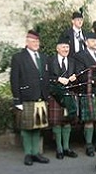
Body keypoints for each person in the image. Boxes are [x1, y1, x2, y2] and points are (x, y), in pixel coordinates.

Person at [10, 30, 50, 166]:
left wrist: (47, 96)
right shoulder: (18, 58)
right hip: (26, 97)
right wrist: (17, 100)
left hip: (41, 97)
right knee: (27, 127)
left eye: (37, 41)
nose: (36, 44)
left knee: (38, 127)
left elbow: (45, 78)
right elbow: (14, 80)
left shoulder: (43, 57)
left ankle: (36, 153)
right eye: (33, 41)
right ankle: (28, 154)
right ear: (27, 42)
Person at [48, 35, 78, 160]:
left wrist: (74, 78)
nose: (66, 49)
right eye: (64, 47)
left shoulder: (72, 62)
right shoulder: (50, 61)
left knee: (67, 121)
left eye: (67, 47)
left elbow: (77, 77)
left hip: (69, 93)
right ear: (57, 48)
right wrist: (58, 79)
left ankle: (66, 148)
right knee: (57, 122)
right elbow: (45, 77)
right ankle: (59, 148)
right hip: (55, 94)